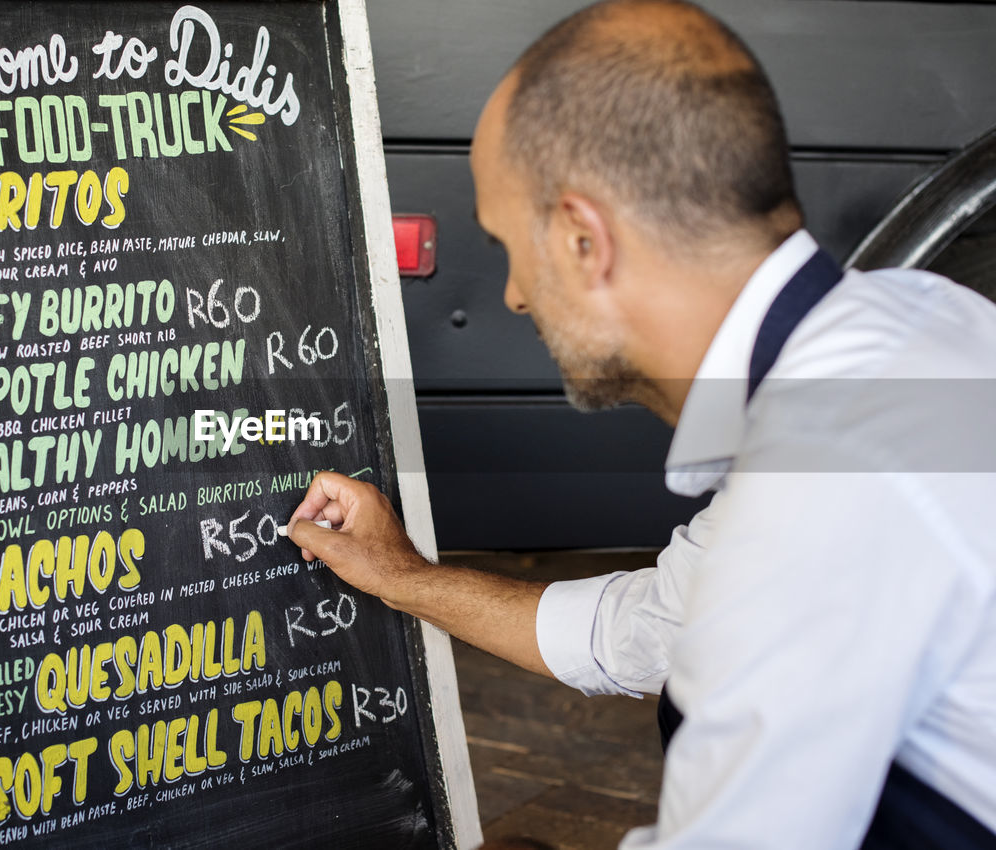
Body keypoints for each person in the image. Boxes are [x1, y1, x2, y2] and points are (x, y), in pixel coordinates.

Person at [286, 0, 996, 847]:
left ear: (586, 241)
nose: (511, 294)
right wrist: (400, 576)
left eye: (511, 244)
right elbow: (655, 625)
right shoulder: (914, 321)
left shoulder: (822, 487)